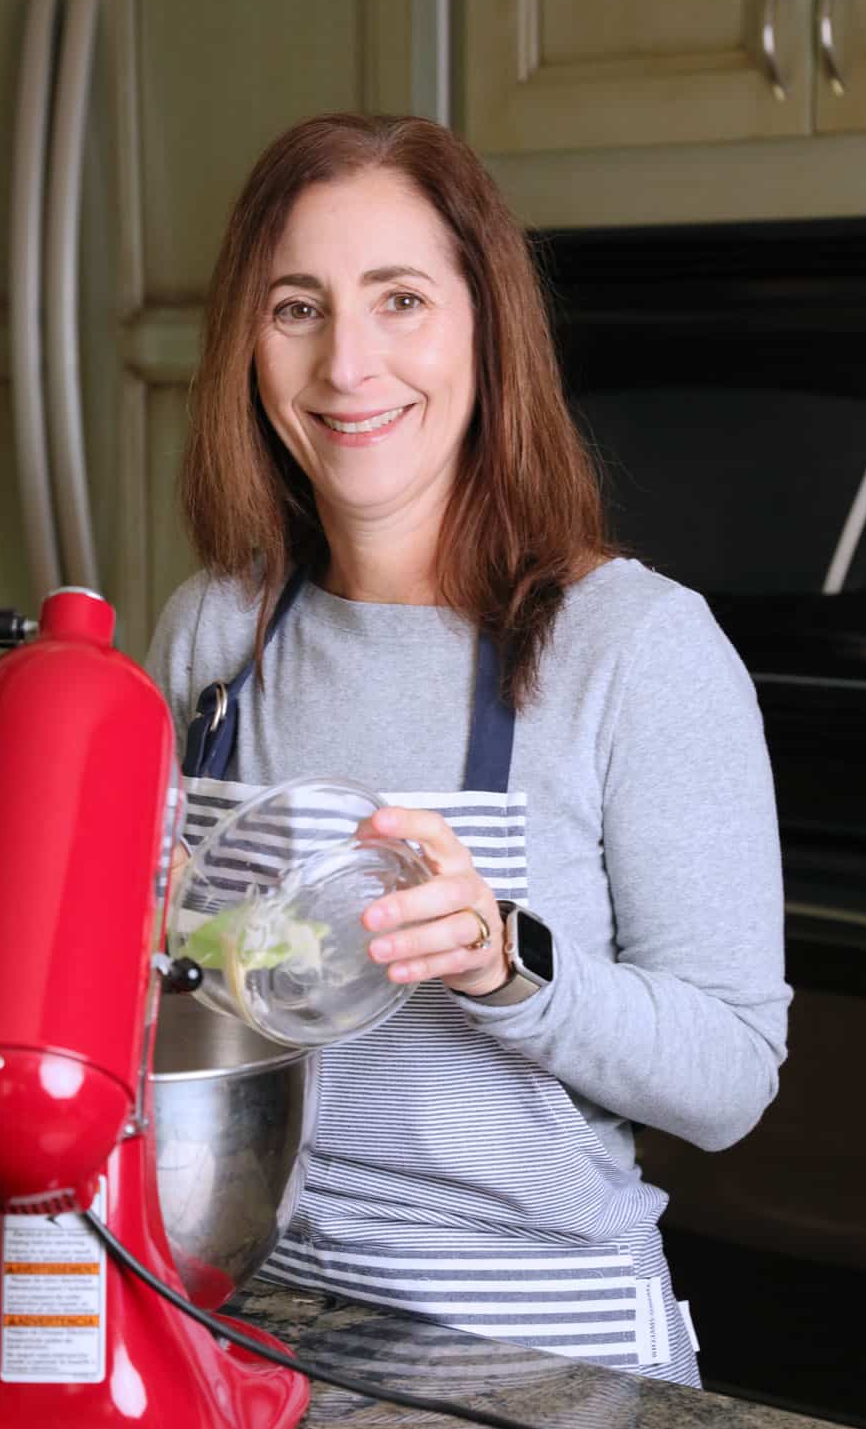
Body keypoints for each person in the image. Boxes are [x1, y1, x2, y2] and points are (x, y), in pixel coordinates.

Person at [146, 112, 791, 1388]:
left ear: (485, 326)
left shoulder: (637, 648)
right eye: (296, 307)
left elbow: (730, 1077)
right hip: (251, 1330)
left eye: (400, 299)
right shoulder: (217, 631)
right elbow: (164, 1020)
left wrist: (512, 966)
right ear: (248, 344)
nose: (348, 363)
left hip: (539, 1351)